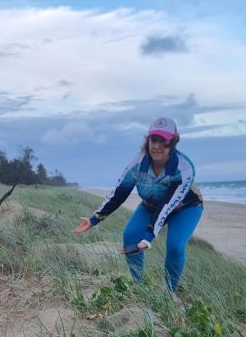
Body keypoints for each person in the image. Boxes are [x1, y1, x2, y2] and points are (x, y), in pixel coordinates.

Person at [74, 116, 204, 292]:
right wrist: (94, 219)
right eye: (153, 139)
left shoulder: (184, 168)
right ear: (147, 140)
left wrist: (149, 238)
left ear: (173, 143)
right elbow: (119, 193)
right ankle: (138, 285)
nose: (156, 146)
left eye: (163, 141)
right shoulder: (137, 163)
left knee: (175, 245)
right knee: (130, 236)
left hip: (185, 207)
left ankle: (169, 292)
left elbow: (167, 205)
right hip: (150, 205)